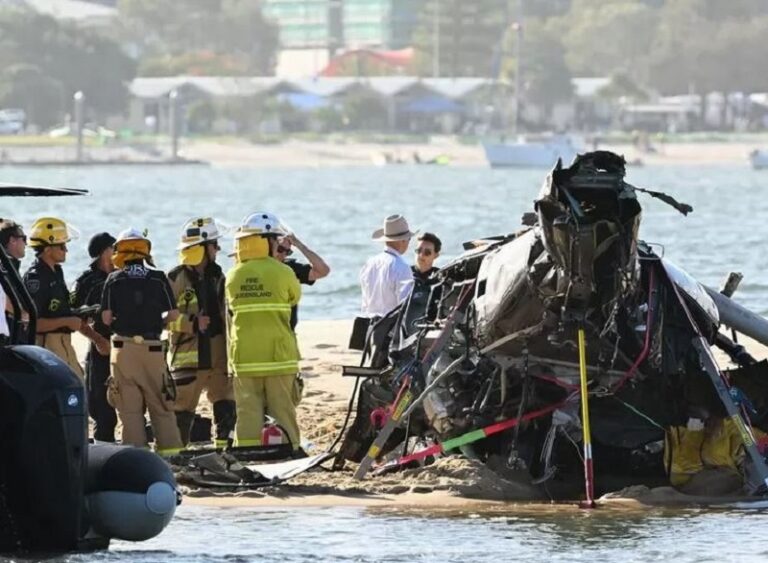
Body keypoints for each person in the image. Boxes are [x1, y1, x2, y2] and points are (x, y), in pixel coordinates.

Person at [101, 228, 183, 456]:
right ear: (145, 250)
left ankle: (136, 456)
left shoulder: (113, 279)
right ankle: (172, 454)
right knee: (162, 405)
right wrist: (160, 324)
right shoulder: (157, 277)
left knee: (129, 410)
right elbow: (174, 314)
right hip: (152, 349)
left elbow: (106, 318)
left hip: (123, 350)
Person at [225, 212, 302, 451]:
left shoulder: (233, 275)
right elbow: (294, 297)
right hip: (278, 356)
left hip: (245, 357)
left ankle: (247, 452)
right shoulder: (284, 272)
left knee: (247, 412)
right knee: (283, 411)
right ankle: (289, 451)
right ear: (267, 240)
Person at [167, 217, 235, 448]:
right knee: (181, 408)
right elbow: (161, 319)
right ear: (202, 248)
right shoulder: (175, 278)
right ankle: (176, 452)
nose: (218, 249)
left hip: (218, 352)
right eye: (215, 244)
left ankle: (223, 447)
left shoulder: (219, 276)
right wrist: (191, 323)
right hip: (189, 354)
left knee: (225, 402)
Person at [23, 217, 96, 377]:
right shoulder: (36, 278)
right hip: (47, 347)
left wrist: (79, 314)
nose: (66, 250)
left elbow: (57, 309)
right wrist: (67, 321)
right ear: (48, 249)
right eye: (62, 246)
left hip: (63, 344)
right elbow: (33, 324)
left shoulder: (56, 272)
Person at [71, 232, 117, 442]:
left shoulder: (123, 275)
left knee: (131, 406)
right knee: (101, 408)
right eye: (113, 247)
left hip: (126, 347)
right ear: (103, 252)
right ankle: (104, 447)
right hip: (101, 349)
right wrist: (98, 340)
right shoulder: (86, 282)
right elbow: (75, 319)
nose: (117, 251)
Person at [359, 214, 417, 318]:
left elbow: (365, 304)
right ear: (402, 240)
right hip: (390, 328)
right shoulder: (401, 267)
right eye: (409, 239)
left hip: (370, 327)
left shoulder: (369, 264)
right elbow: (406, 307)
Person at [274, 233, 330, 330]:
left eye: (287, 252)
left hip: (286, 330)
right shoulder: (254, 268)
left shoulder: (290, 268)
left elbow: (323, 270)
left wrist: (299, 245)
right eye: (280, 249)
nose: (283, 254)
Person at [0, 219, 27, 337]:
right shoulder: (4, 266)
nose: (26, 243)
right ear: (12, 240)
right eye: (24, 239)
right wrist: (22, 314)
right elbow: (3, 296)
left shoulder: (10, 265)